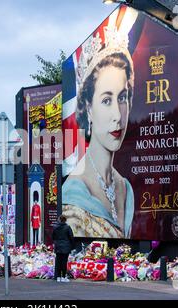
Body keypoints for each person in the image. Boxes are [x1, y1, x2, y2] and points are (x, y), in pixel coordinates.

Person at [62, 26, 135, 239]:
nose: (117, 115)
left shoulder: (124, 187)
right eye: (106, 100)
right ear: (89, 107)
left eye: (122, 98)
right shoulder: (73, 193)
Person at [53, 215, 74, 283]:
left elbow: (53, 236)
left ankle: (58, 277)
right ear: (65, 220)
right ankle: (64, 277)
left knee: (58, 262)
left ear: (59, 219)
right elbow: (71, 237)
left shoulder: (55, 227)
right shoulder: (67, 227)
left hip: (58, 246)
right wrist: (71, 245)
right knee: (64, 262)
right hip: (66, 247)